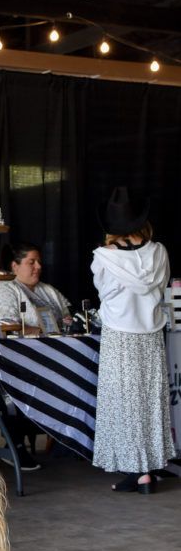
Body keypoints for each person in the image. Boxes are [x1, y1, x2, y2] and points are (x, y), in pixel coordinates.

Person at [91, 186, 174, 494]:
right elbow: (161, 286)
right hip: (150, 334)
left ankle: (136, 471)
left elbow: (104, 293)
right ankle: (150, 466)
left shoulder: (103, 258)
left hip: (120, 335)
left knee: (123, 402)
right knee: (150, 400)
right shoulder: (160, 252)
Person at [0, 243, 73, 333]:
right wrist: (42, 331)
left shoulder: (49, 289)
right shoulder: (6, 288)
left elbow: (69, 316)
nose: (39, 266)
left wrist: (69, 321)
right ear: (15, 266)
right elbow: (9, 326)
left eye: (39, 262)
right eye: (31, 262)